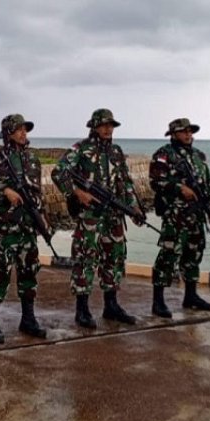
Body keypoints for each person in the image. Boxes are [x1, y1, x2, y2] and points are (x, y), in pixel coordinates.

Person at [51, 108, 141, 329]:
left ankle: (111, 306)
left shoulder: (116, 152)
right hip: (90, 216)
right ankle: (82, 310)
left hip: (114, 216)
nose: (108, 129)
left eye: (111, 126)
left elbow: (126, 182)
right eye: (103, 125)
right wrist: (77, 193)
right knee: (85, 260)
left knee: (115, 259)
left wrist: (134, 206)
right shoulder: (81, 149)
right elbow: (58, 172)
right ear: (94, 127)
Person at [0, 114, 47, 343]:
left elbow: (37, 193)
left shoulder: (33, 159)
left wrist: (42, 217)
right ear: (8, 132)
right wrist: (3, 192)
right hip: (6, 229)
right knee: (0, 274)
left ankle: (28, 319)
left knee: (29, 273)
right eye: (19, 129)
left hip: (28, 228)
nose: (24, 133)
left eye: (25, 129)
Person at [148, 118, 210, 318]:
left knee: (193, 255)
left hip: (197, 215)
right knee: (168, 256)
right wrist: (179, 188)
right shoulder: (163, 155)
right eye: (183, 131)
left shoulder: (198, 156)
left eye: (190, 131)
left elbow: (208, 185)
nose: (188, 135)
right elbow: (156, 181)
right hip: (176, 215)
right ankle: (158, 301)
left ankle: (191, 296)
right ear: (173, 134)